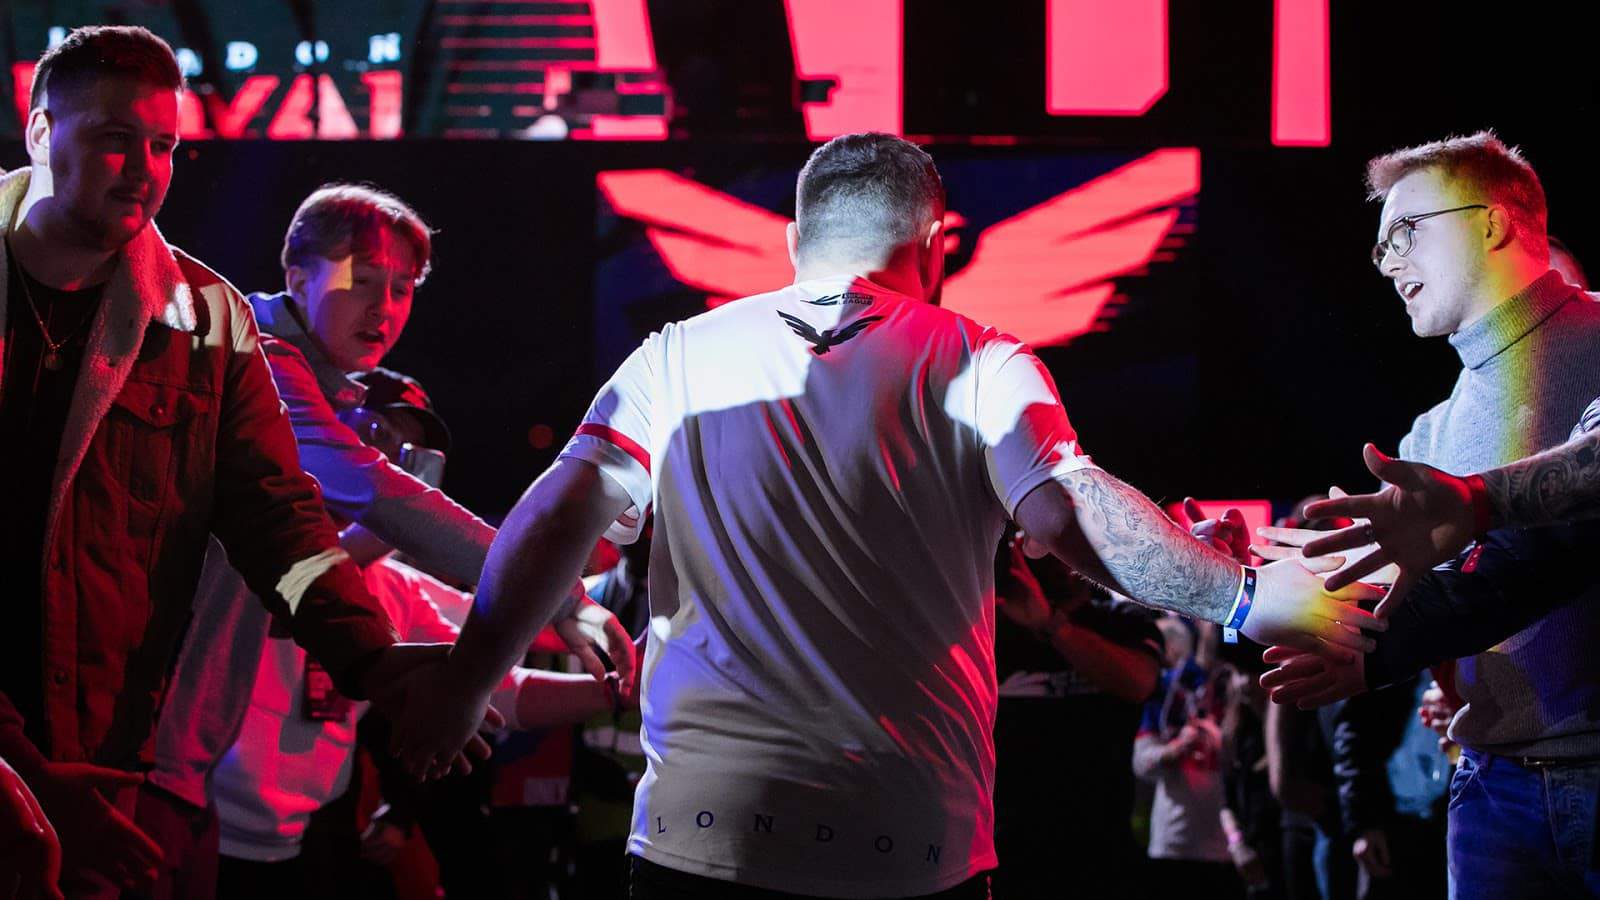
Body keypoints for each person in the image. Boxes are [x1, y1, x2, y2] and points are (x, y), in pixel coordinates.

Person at [386, 132, 1380, 899]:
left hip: (702, 834)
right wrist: (1246, 595)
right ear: (936, 239)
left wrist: (471, 679)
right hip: (908, 842)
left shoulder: (675, 357)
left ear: (793, 240)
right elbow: (1074, 508)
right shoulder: (979, 358)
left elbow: (562, 507)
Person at [0, 27, 479, 897]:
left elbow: (278, 522)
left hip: (128, 773)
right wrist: (21, 768)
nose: (143, 166)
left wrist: (371, 658)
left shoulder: (206, 319)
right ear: (38, 134)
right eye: (113, 138)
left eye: (164, 144)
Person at [150, 183, 634, 895]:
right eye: (361, 278)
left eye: (403, 287)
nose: (385, 306)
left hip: (225, 788)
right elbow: (373, 492)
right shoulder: (255, 351)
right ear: (296, 277)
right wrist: (561, 595)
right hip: (151, 749)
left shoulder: (319, 378)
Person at [1255, 130, 1600, 899]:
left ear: (1491, 220)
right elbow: (1395, 603)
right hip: (1492, 792)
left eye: (1406, 231)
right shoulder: (1428, 438)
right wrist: (1251, 567)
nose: (1388, 262)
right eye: (1380, 249)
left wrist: (1477, 505)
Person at [209, 368, 620, 898]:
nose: (393, 458)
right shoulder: (242, 534)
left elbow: (496, 684)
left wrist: (610, 690)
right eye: (379, 434)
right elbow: (310, 552)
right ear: (330, 426)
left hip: (302, 836)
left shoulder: (394, 585)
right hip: (194, 815)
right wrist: (391, 513)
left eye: (414, 450)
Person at [990, 536, 1162, 899]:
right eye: (1037, 546)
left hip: (1100, 842)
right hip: (1006, 842)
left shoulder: (1123, 619)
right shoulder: (992, 624)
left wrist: (1051, 625)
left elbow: (1138, 681)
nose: (1056, 558)